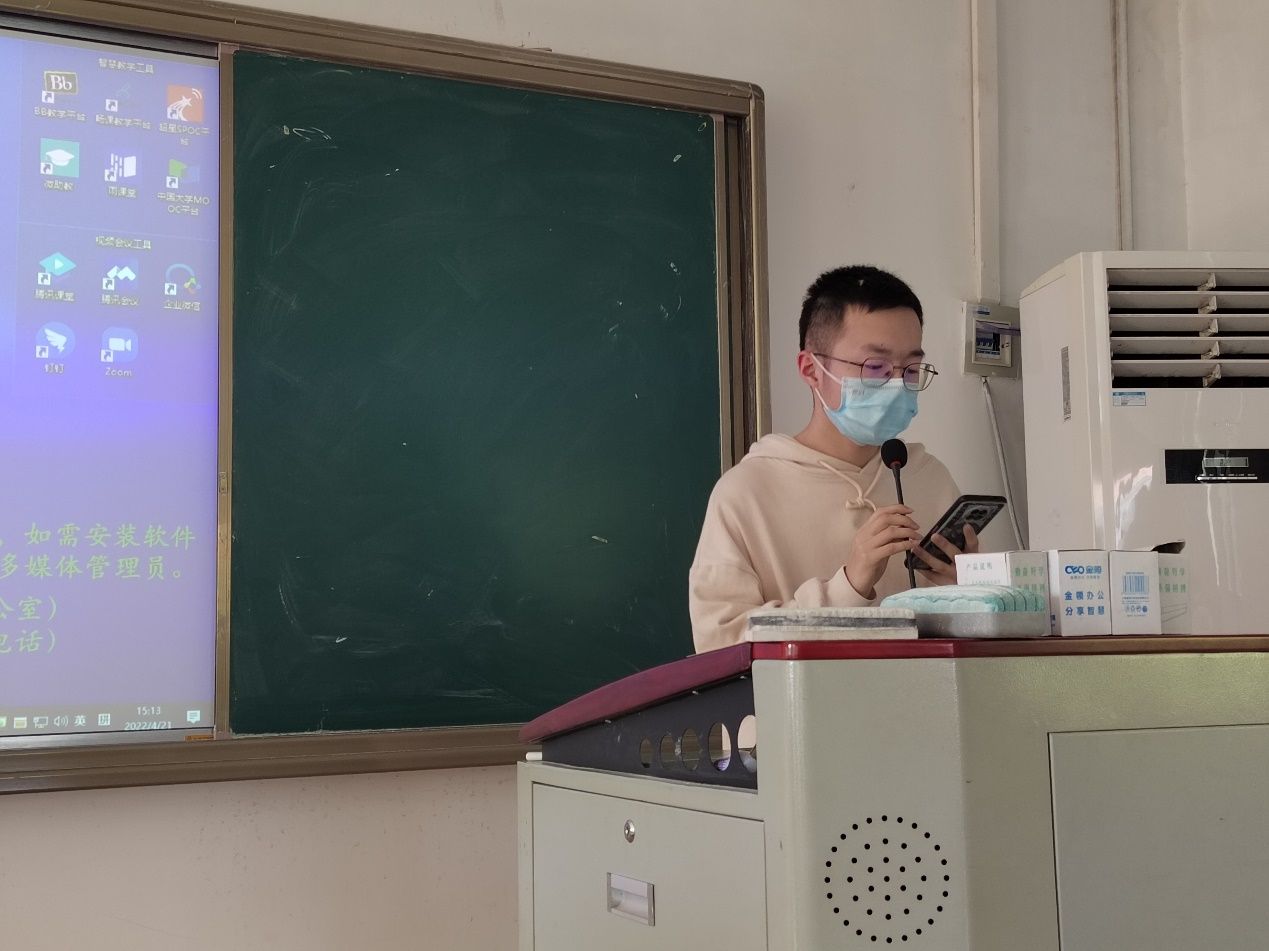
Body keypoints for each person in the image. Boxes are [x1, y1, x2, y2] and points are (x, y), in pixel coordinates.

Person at [689, 265, 978, 652]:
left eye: (910, 369)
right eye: (875, 367)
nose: (897, 384)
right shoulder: (746, 493)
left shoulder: (929, 479)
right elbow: (719, 647)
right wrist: (848, 587)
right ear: (811, 369)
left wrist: (970, 595)